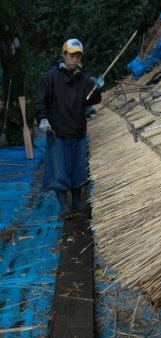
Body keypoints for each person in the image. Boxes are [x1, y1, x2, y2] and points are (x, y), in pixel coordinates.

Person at [35, 38, 104, 218]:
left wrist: (97, 88)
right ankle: (64, 206)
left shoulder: (83, 79)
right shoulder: (50, 77)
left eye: (78, 56)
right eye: (72, 55)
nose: (75, 59)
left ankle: (78, 202)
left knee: (78, 169)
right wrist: (43, 119)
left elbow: (93, 100)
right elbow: (40, 101)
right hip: (58, 133)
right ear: (64, 55)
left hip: (78, 132)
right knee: (60, 170)